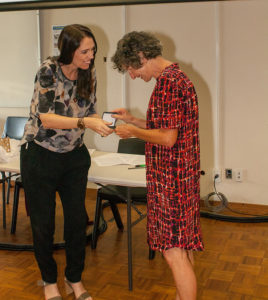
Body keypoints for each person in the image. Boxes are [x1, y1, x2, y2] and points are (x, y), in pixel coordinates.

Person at [20, 24, 113, 300]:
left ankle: (75, 279)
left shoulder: (89, 72)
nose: (90, 56)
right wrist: (85, 122)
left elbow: (91, 108)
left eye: (93, 50)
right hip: (40, 155)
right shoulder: (48, 70)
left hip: (73, 156)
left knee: (75, 222)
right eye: (85, 51)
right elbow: (47, 118)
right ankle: (49, 281)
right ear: (69, 50)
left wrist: (104, 121)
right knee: (43, 224)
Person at [111, 31, 204, 300]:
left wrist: (132, 132)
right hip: (183, 177)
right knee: (183, 248)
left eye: (130, 68)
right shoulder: (178, 77)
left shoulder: (167, 84)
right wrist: (134, 120)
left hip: (171, 181)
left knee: (173, 251)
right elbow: (166, 126)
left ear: (141, 56)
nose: (132, 75)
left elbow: (166, 137)